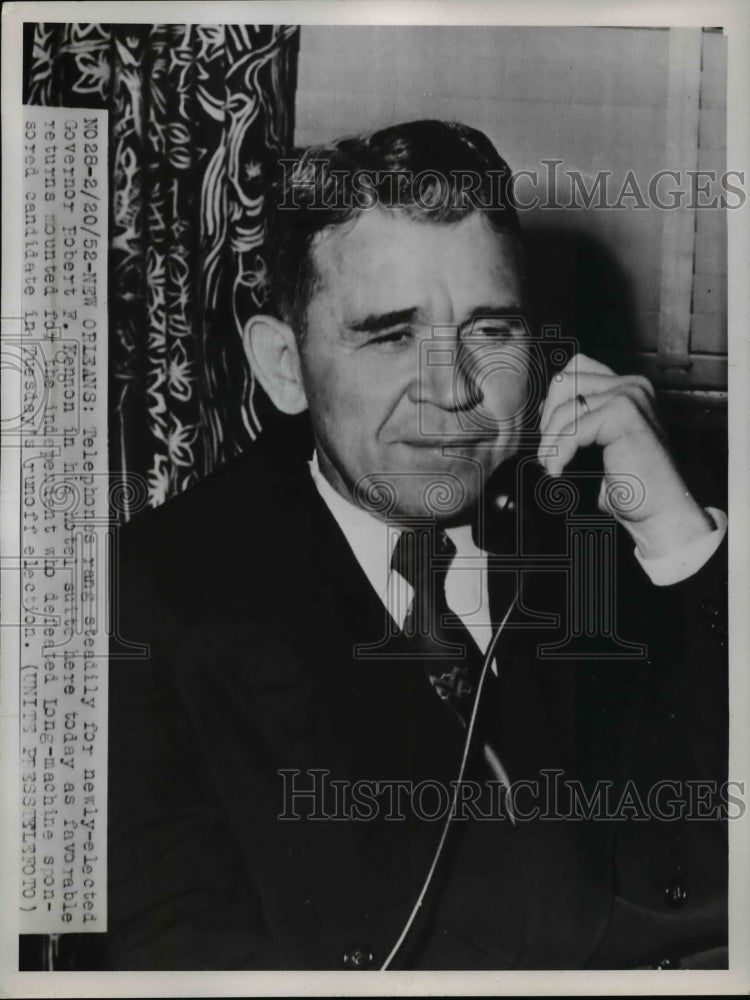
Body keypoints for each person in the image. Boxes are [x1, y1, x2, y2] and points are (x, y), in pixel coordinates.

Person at [104, 120, 728, 970]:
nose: (453, 391)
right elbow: (173, 957)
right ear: (286, 366)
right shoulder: (149, 601)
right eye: (391, 335)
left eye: (491, 331)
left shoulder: (600, 527)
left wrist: (676, 538)